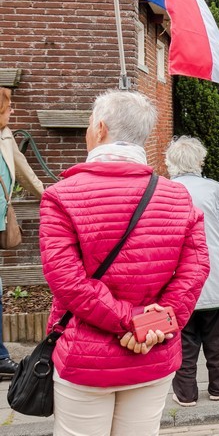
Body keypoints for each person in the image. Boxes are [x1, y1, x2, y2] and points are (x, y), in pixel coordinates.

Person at [40, 90, 209, 435]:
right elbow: (195, 270)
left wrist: (128, 322)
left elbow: (67, 280)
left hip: (86, 357)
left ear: (100, 128)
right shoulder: (178, 195)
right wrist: (152, 325)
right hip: (153, 351)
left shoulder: (61, 196)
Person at [166, 137, 219, 406]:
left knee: (183, 340)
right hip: (214, 274)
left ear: (170, 162)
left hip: (177, 280)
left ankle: (185, 392)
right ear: (200, 161)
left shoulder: (163, 192)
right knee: (216, 339)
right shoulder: (216, 191)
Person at [0, 87, 45, 379]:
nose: (13, 111)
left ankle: (0, 357)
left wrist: (50, 197)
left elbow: (25, 171)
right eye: (8, 107)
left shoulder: (5, 136)